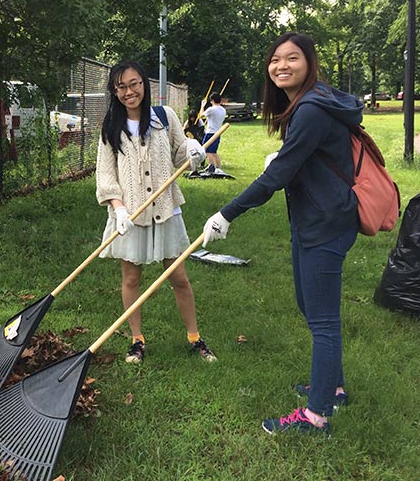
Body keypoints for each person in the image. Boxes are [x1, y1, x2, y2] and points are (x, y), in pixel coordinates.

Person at [201, 32, 362, 434]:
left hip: (326, 224)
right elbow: (305, 160)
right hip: (315, 220)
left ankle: (317, 416)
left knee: (323, 321)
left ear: (309, 62)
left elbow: (275, 178)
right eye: (275, 59)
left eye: (292, 58)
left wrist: (226, 213)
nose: (281, 66)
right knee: (311, 308)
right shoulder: (310, 103)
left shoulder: (311, 108)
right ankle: (334, 387)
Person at [96, 60, 216, 364]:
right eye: (121, 86)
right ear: (114, 90)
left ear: (144, 84)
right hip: (129, 216)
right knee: (131, 279)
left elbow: (180, 155)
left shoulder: (165, 117)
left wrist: (194, 152)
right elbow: (106, 176)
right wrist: (118, 209)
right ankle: (137, 340)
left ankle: (194, 337)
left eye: (134, 83)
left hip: (166, 210)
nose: (128, 91)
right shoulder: (110, 126)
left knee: (179, 277)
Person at [201, 92, 226, 173]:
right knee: (214, 152)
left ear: (212, 100)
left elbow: (201, 115)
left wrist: (202, 105)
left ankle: (211, 167)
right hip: (217, 133)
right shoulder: (223, 110)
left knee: (207, 151)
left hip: (210, 133)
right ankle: (218, 168)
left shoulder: (211, 109)